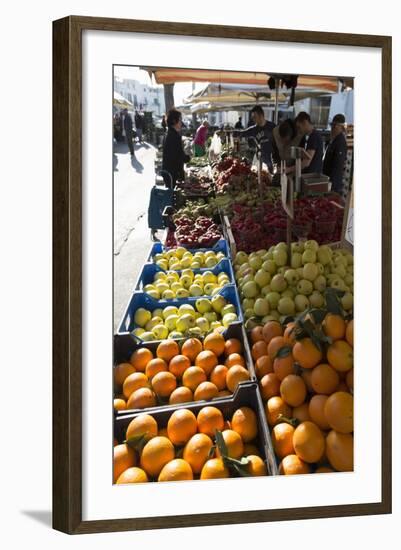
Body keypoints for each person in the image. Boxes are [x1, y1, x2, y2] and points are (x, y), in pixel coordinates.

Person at [235, 105, 276, 172]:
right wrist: (228, 132)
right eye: (252, 118)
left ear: (261, 115)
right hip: (260, 162)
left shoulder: (272, 127)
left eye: (254, 117)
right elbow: (242, 133)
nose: (253, 120)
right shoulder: (254, 129)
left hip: (272, 161)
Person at [162, 109, 191, 188]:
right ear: (175, 121)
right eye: (180, 120)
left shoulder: (168, 133)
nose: (181, 122)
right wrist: (187, 158)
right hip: (172, 173)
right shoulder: (174, 136)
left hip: (168, 171)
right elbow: (178, 155)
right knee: (172, 195)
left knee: (171, 193)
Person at [323, 114, 348, 194]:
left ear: (339, 127)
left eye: (334, 126)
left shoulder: (340, 142)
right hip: (328, 179)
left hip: (333, 184)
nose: (332, 129)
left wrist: (331, 184)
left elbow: (337, 165)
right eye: (332, 126)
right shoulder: (334, 140)